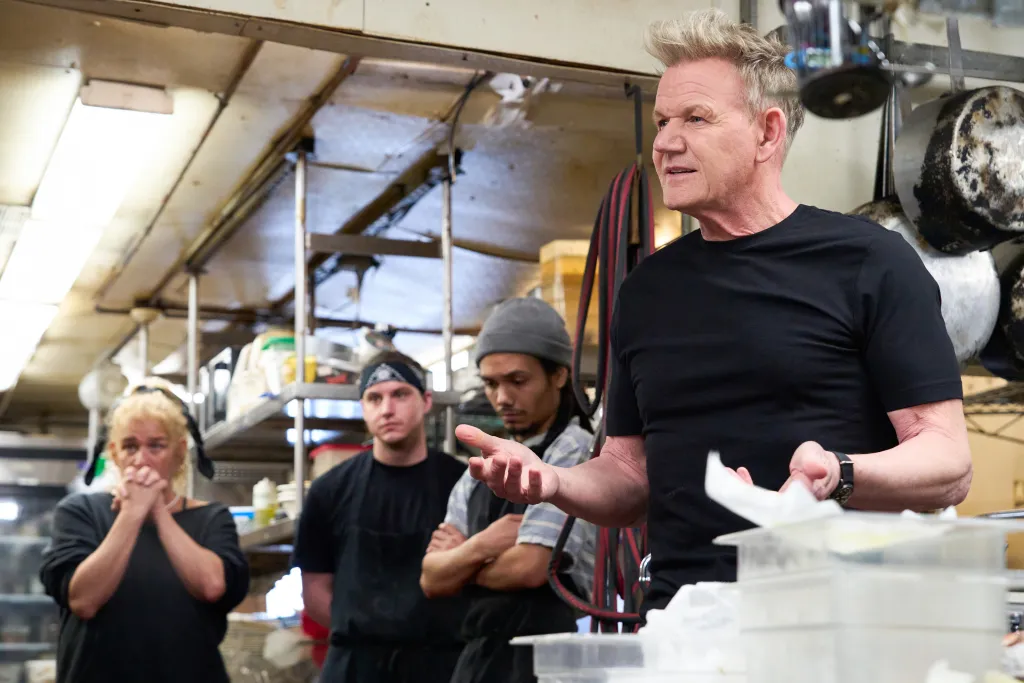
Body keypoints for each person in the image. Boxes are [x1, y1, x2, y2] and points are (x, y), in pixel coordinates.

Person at [456, 9, 973, 619]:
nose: (666, 142)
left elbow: (947, 462)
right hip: (687, 623)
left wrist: (840, 471)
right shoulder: (648, 290)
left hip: (845, 619)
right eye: (662, 121)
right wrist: (553, 483)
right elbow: (628, 476)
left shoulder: (868, 261)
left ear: (767, 131)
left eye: (695, 119)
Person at [420, 297, 596, 683]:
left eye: (518, 381)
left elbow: (531, 567)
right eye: (491, 383)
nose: (502, 398)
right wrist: (484, 547)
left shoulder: (575, 450)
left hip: (547, 663)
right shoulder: (479, 469)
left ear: (560, 376)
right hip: (478, 661)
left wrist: (461, 564)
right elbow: (431, 579)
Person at [39, 380, 249, 683]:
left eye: (156, 445)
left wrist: (158, 512)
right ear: (114, 453)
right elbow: (84, 600)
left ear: (178, 453)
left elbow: (212, 585)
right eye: (130, 446)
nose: (141, 459)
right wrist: (132, 514)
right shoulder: (80, 513)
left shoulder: (211, 519)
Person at [292, 350, 469, 683]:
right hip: (354, 666)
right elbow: (314, 590)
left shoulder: (463, 485)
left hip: (442, 664)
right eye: (374, 398)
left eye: (400, 394)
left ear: (426, 401)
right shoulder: (329, 491)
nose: (387, 409)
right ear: (363, 408)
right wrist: (366, 632)